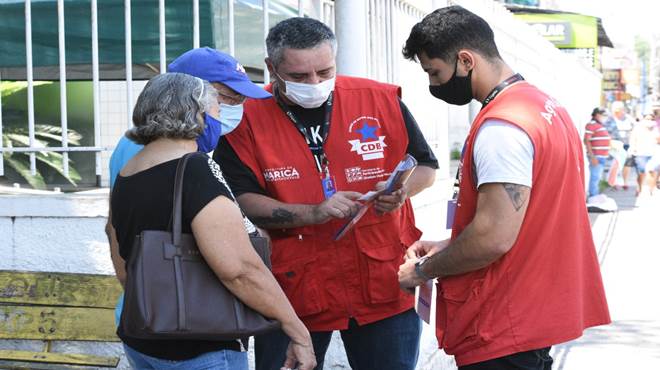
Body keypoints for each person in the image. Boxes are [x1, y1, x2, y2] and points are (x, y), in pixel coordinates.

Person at [213, 17, 438, 370]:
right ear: (272, 68)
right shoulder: (246, 117)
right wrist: (313, 212)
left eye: (324, 71)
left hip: (381, 283)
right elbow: (243, 198)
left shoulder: (379, 99)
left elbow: (426, 166)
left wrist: (401, 191)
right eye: (300, 77)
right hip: (293, 291)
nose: (315, 83)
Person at [397, 6, 610, 370]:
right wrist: (451, 243)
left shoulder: (502, 127)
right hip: (533, 313)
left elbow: (494, 238)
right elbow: (523, 220)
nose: (433, 85)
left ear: (465, 60)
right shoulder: (544, 106)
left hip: (503, 323)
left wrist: (424, 270)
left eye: (435, 72)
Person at [109, 72, 316, 370]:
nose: (221, 122)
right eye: (218, 111)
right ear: (196, 114)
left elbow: (122, 256)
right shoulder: (195, 170)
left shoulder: (129, 171)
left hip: (145, 338)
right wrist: (296, 330)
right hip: (199, 345)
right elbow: (240, 270)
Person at [104, 47, 273, 327]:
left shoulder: (183, 145)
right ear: (191, 94)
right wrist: (139, 298)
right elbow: (116, 229)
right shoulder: (147, 147)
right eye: (229, 97)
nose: (237, 107)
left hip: (168, 315)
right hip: (170, 319)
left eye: (242, 98)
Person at [605, 101, 635, 189]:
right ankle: (613, 183)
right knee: (616, 164)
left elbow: (634, 129)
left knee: (627, 164)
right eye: (615, 110)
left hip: (627, 144)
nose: (617, 112)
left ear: (623, 110)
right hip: (615, 145)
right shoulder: (609, 119)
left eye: (619, 110)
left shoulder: (629, 119)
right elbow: (605, 132)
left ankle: (625, 182)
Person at [628, 115, 660, 196]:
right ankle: (639, 187)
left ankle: (651, 191)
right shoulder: (638, 128)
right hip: (640, 153)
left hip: (653, 153)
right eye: (648, 119)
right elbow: (633, 138)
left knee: (651, 171)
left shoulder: (656, 128)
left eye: (652, 119)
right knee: (641, 173)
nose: (650, 120)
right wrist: (632, 148)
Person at [584, 107, 611, 198]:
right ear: (597, 115)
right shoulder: (591, 124)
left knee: (597, 177)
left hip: (602, 156)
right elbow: (587, 140)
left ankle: (595, 195)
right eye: (603, 115)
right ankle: (593, 196)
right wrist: (592, 157)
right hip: (596, 156)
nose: (604, 117)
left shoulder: (600, 125)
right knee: (595, 177)